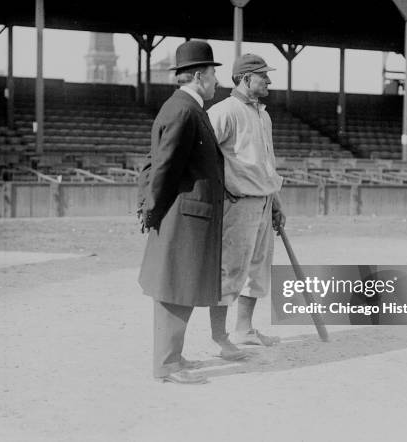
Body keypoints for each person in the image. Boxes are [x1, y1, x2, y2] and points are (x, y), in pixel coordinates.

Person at [137, 41, 224, 385]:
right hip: (182, 216)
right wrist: (152, 209)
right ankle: (167, 364)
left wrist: (149, 206)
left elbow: (153, 162)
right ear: (200, 76)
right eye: (214, 73)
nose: (217, 80)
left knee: (177, 287)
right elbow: (162, 167)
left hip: (182, 214)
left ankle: (172, 356)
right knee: (176, 288)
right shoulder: (185, 110)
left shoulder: (185, 107)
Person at [207, 53, 286, 352]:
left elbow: (267, 165)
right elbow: (204, 158)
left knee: (258, 269)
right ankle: (220, 337)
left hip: (264, 201)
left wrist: (276, 202)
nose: (268, 81)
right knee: (231, 270)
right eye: (262, 75)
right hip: (238, 203)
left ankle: (244, 330)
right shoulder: (223, 111)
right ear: (244, 78)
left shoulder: (263, 115)